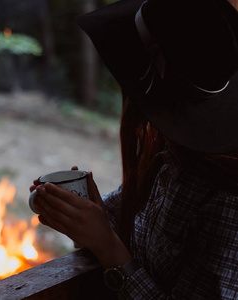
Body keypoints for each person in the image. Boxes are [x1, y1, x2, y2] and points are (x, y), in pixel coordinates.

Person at [29, 0, 238, 298]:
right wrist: (85, 213)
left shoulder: (228, 200)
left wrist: (107, 247)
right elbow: (117, 225)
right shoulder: (173, 156)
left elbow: (111, 243)